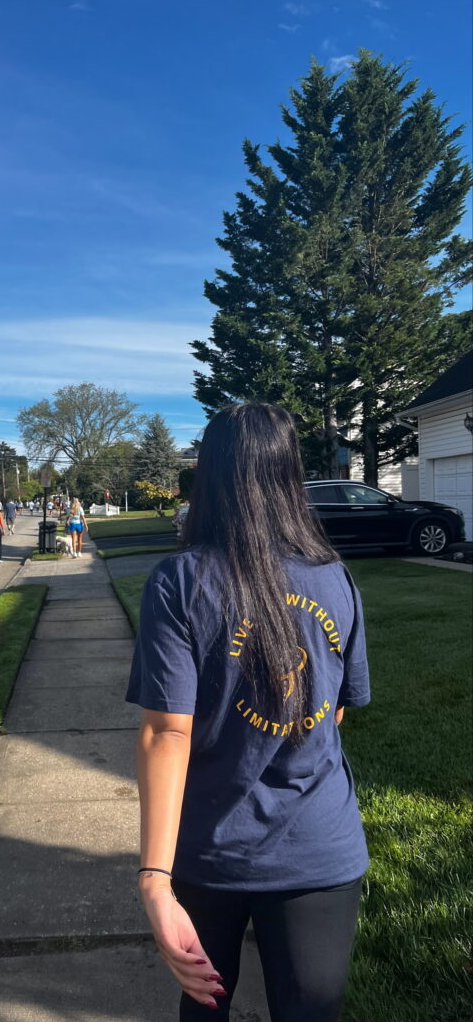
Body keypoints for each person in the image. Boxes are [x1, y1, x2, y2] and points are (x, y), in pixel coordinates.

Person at [126, 403, 370, 1022]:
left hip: (207, 849)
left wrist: (155, 878)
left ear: (210, 475)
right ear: (289, 474)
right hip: (319, 847)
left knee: (204, 1009)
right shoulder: (334, 579)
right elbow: (335, 713)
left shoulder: (179, 580)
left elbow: (165, 734)